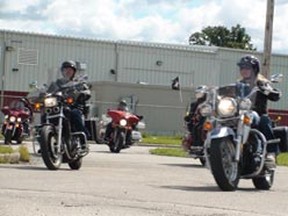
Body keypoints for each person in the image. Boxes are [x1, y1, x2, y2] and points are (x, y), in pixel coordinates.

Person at [237, 55, 281, 165]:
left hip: (258, 115)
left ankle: (271, 153)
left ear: (255, 69)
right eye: (242, 68)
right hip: (240, 115)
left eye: (247, 68)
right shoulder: (238, 84)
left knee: (264, 121)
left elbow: (275, 96)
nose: (244, 70)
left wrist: (267, 90)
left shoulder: (262, 83)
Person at [44, 60, 91, 145]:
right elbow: (48, 92)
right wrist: (42, 94)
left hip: (73, 106)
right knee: (45, 115)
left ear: (74, 72)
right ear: (62, 71)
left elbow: (86, 90)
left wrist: (84, 93)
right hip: (58, 107)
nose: (68, 71)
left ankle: (83, 139)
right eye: (65, 69)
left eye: (70, 70)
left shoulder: (78, 83)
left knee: (75, 113)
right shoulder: (56, 83)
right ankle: (44, 142)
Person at [184, 85, 207, 152]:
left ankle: (199, 144)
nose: (198, 95)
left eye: (200, 93)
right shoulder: (194, 104)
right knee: (192, 126)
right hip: (197, 121)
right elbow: (191, 112)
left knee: (199, 128)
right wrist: (188, 117)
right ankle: (194, 145)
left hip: (206, 120)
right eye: (197, 93)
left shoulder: (208, 103)